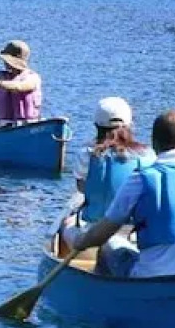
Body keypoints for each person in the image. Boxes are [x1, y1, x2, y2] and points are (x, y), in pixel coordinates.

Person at [63, 109, 175, 282]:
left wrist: (79, 241)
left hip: (154, 274)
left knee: (109, 246)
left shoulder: (141, 179)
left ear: (154, 145)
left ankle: (103, 295)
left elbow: (103, 233)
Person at [55, 97, 156, 274]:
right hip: (133, 234)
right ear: (129, 125)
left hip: (93, 230)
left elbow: (82, 188)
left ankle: (68, 269)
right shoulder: (148, 155)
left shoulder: (86, 154)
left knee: (66, 222)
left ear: (97, 126)